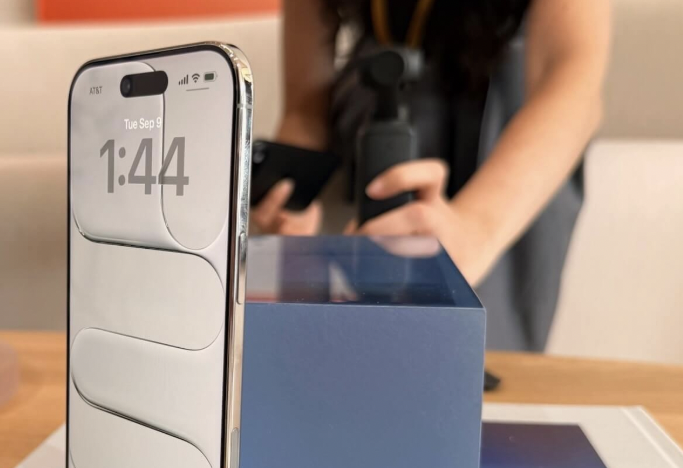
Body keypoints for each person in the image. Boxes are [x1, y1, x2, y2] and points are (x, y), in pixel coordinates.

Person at [252, 0, 611, 351]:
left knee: (477, 358)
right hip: (367, 126)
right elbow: (305, 111)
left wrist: (474, 230)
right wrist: (290, 198)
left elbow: (571, 81)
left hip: (507, 157)